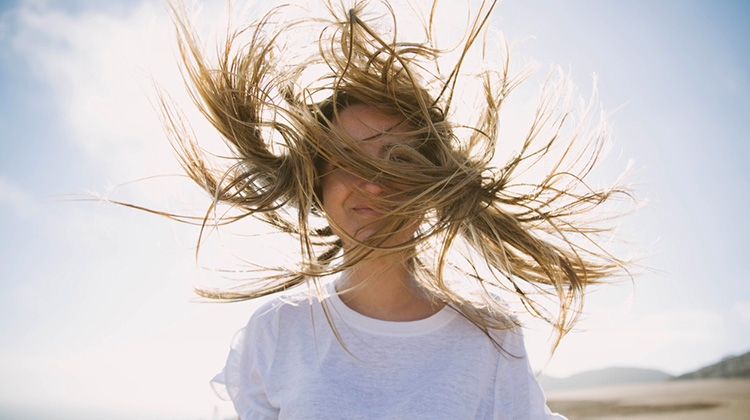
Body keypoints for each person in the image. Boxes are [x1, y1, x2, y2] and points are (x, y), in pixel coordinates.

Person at [159, 0, 630, 418]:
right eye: (347, 161)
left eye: (400, 162)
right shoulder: (276, 332)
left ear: (432, 189)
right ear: (317, 184)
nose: (373, 185)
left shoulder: (489, 334)